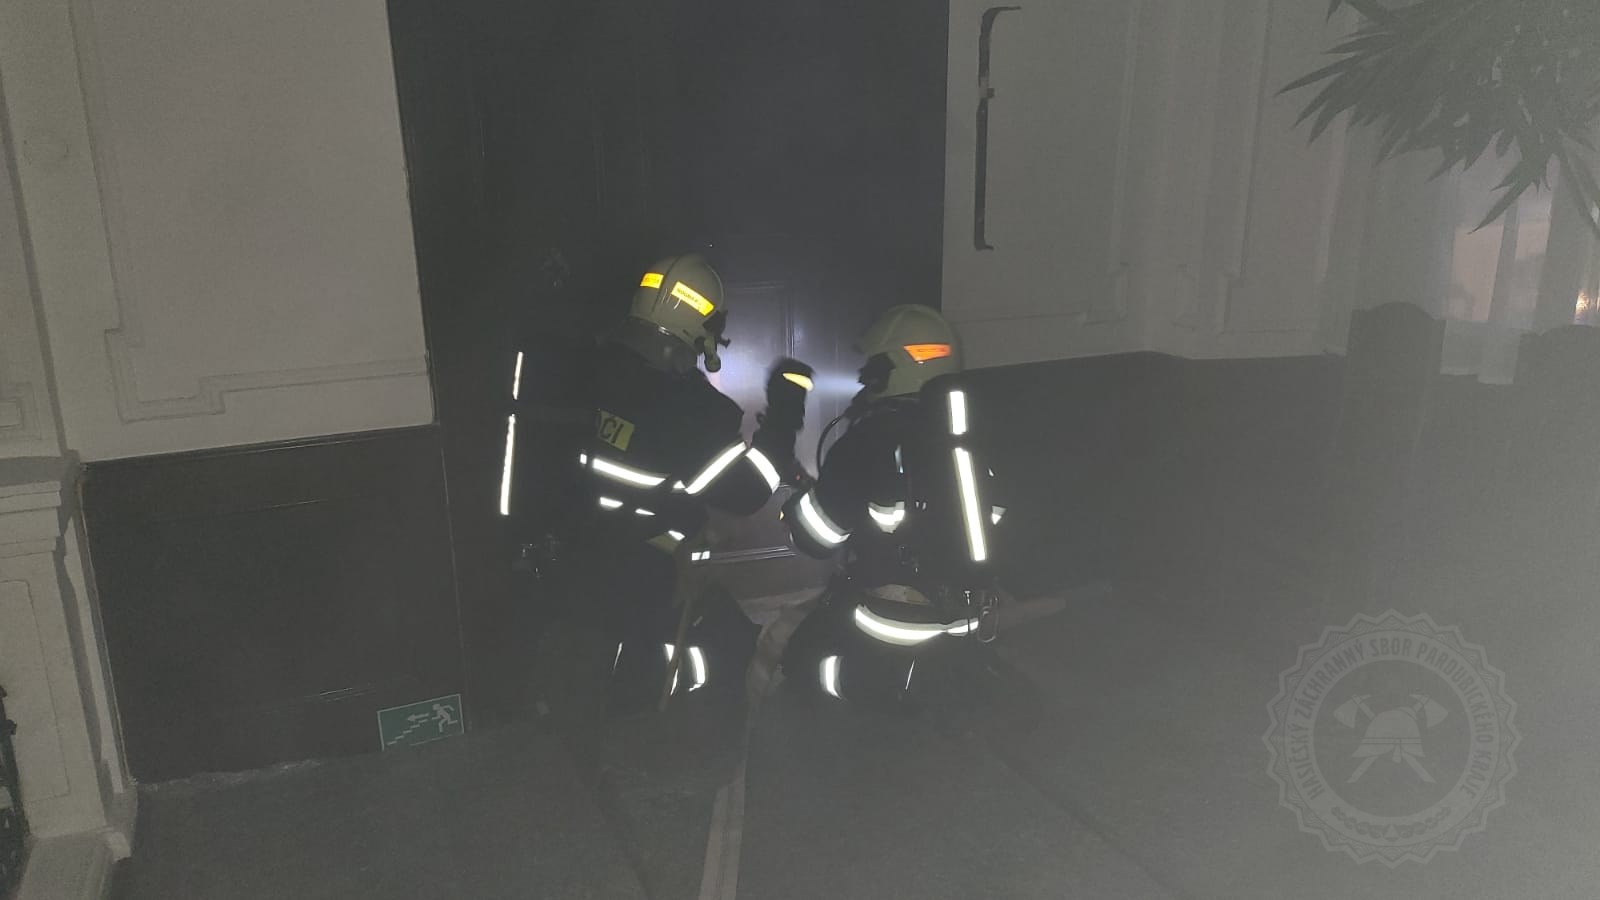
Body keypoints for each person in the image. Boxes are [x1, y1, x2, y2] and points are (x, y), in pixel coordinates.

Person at [506, 252, 813, 709]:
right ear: (701, 328)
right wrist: (784, 419)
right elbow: (745, 492)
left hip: (568, 559)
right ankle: (671, 727)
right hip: (641, 572)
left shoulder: (588, 368)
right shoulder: (687, 408)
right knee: (727, 643)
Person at [778, 304, 1006, 706]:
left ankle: (890, 691)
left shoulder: (868, 439)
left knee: (798, 660)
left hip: (895, 625)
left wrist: (794, 506)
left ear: (891, 369)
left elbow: (816, 540)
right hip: (973, 618)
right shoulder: (980, 430)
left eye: (872, 368)